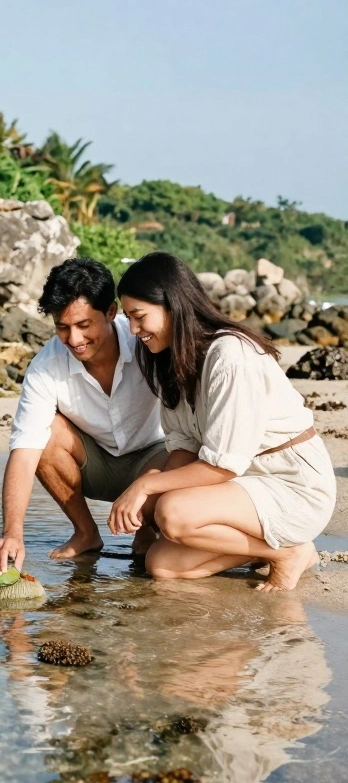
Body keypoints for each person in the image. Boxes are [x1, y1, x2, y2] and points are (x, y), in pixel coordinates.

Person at [109, 251, 336, 591]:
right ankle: (264, 549)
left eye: (139, 316)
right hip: (246, 484)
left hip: (291, 483)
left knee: (173, 512)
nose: (134, 329)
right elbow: (184, 449)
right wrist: (146, 513)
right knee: (161, 563)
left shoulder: (230, 357)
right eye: (129, 318)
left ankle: (288, 553)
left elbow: (223, 466)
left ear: (174, 306)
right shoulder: (172, 361)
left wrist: (145, 487)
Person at [0, 257, 167, 573]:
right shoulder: (45, 366)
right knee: (46, 433)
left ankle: (146, 530)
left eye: (84, 325)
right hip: (94, 466)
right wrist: (12, 532)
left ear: (111, 312)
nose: (74, 340)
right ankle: (86, 532)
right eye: (62, 327)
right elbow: (24, 453)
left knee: (178, 453)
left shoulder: (146, 343)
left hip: (154, 463)